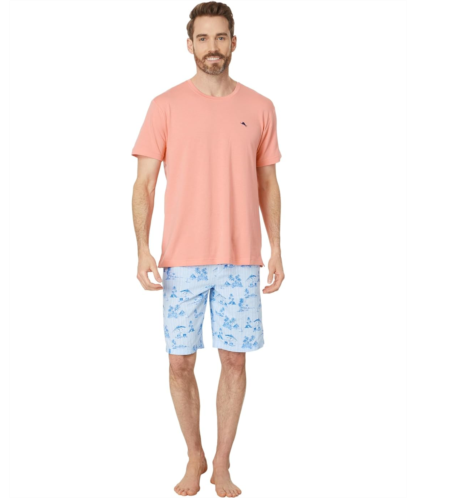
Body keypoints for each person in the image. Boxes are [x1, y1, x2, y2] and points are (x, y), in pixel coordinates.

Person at [131, 2, 285, 496]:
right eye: (203, 38)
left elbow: (268, 183)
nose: (212, 47)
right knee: (180, 363)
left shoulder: (260, 107)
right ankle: (193, 454)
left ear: (234, 43)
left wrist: (276, 248)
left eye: (221, 37)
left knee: (235, 362)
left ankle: (221, 462)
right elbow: (144, 184)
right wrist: (142, 248)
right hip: (181, 261)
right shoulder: (165, 105)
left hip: (241, 260)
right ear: (189, 44)